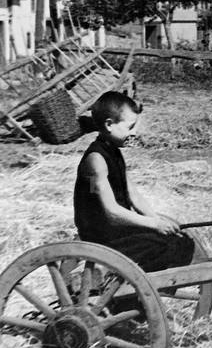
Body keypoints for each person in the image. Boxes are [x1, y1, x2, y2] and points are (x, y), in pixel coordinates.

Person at [74, 92, 194, 272]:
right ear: (109, 125)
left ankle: (138, 285)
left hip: (116, 232)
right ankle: (131, 286)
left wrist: (156, 219)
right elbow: (112, 213)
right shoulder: (95, 161)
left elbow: (133, 195)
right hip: (102, 237)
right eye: (130, 127)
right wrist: (154, 225)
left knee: (181, 242)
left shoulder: (113, 152)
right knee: (171, 246)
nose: (135, 132)